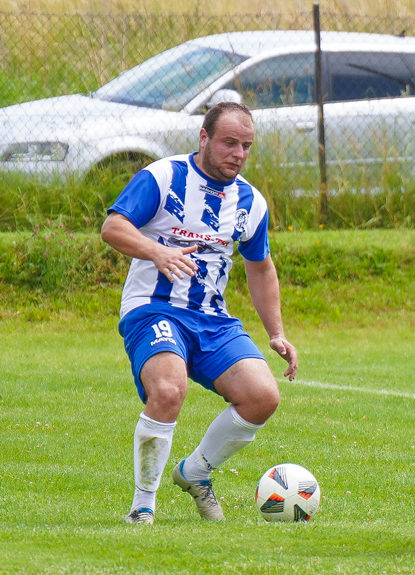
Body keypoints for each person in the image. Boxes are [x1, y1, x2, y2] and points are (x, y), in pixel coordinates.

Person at [101, 101, 298, 525]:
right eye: (229, 143)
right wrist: (157, 251)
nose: (238, 154)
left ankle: (195, 472)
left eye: (246, 146)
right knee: (169, 390)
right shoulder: (164, 177)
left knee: (263, 397)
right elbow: (113, 227)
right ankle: (142, 506)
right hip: (153, 309)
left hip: (211, 318)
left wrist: (277, 333)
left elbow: (260, 267)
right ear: (204, 137)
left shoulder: (250, 201)